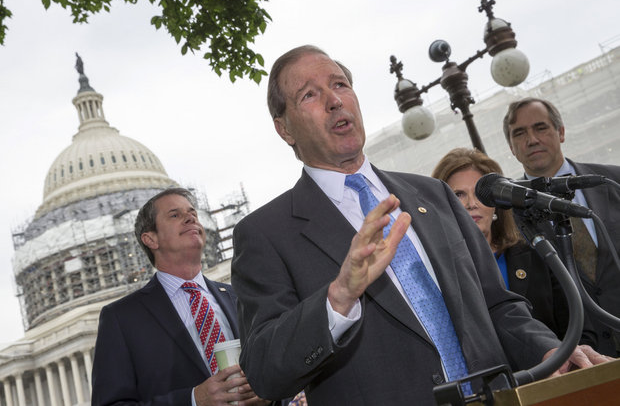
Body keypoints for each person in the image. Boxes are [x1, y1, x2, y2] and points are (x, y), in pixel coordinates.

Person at [230, 45, 609, 405]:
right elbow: (264, 372)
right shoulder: (265, 234)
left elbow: (497, 305)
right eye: (310, 95)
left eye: (340, 84)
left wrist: (551, 349)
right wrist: (339, 298)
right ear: (285, 129)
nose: (335, 100)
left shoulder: (434, 195)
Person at [91, 187, 271, 405]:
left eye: (193, 214)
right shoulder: (121, 318)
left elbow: (277, 369)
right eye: (175, 215)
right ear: (151, 239)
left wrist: (269, 393)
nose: (190, 218)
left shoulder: (238, 298)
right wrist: (193, 400)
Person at [432, 147, 597, 345]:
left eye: (478, 193)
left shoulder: (536, 250)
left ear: (496, 202)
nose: (471, 204)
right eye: (458, 194)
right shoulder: (439, 271)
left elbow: (579, 329)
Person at [504, 97, 620, 357]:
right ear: (511, 147)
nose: (532, 139)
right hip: (582, 361)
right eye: (519, 133)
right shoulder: (509, 216)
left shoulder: (612, 181)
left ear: (562, 132)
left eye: (541, 127)